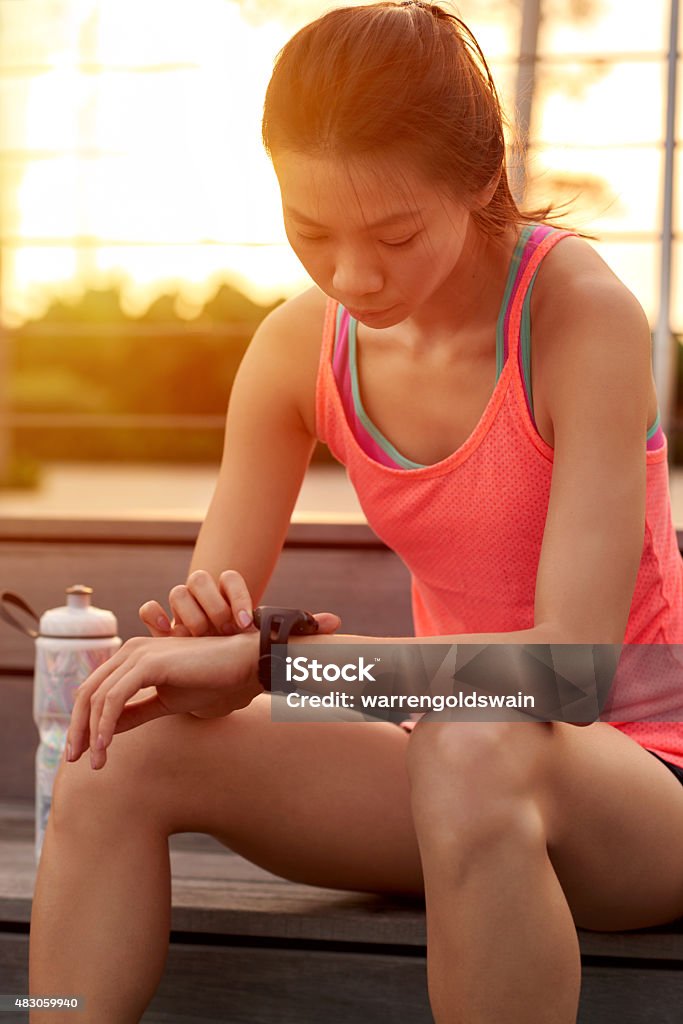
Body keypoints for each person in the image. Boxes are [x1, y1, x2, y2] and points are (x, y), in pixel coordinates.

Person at [29, 3, 683, 1022]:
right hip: (447, 774)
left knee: (474, 741)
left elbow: (569, 673)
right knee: (121, 749)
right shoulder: (297, 350)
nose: (349, 275)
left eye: (393, 233)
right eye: (309, 231)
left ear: (478, 179)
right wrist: (202, 653)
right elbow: (219, 649)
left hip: (638, 785)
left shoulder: (577, 316)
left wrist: (269, 664)